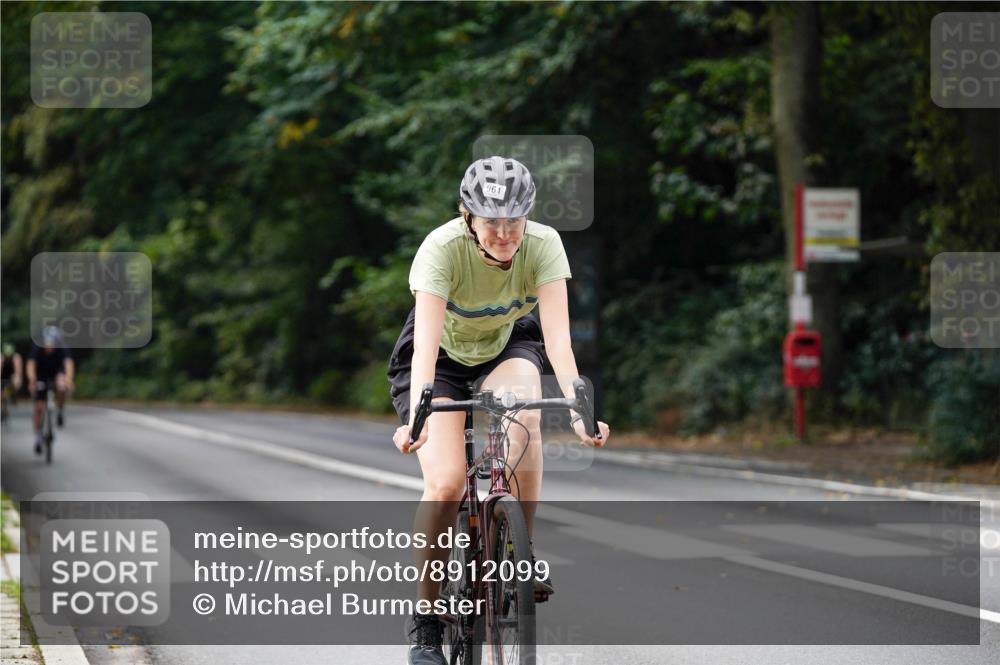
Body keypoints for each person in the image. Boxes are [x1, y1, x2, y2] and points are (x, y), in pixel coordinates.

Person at [387, 156, 611, 665]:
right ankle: (425, 625)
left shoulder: (543, 244)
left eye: (515, 220)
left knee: (527, 415)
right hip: (438, 361)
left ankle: (519, 553)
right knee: (445, 484)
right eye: (493, 221)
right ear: (468, 216)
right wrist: (415, 420)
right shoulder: (440, 251)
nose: (505, 233)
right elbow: (423, 348)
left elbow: (558, 340)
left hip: (505, 349)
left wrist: (579, 412)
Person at [27, 326, 74, 454]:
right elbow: (31, 365)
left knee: (61, 384)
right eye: (47, 344)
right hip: (41, 375)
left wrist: (69, 380)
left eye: (52, 345)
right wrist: (32, 380)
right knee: (38, 408)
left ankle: (60, 408)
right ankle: (38, 437)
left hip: (57, 374)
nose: (49, 347)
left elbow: (68, 364)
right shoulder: (37, 348)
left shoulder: (62, 349)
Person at [1, 343, 24, 422]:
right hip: (2, 377)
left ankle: (13, 395)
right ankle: (4, 409)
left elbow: (18, 372)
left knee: (16, 380)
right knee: (1, 395)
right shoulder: (1, 358)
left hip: (11, 378)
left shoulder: (16, 358)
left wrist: (17, 380)